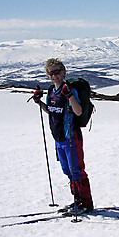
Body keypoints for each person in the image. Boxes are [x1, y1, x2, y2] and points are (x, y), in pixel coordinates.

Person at [32, 58, 93, 214]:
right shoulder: (51, 91)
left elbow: (78, 111)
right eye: (50, 73)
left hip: (71, 136)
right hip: (59, 138)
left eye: (57, 72)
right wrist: (39, 103)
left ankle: (86, 204)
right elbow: (51, 111)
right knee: (67, 171)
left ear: (63, 72)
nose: (54, 76)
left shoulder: (69, 90)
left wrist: (69, 96)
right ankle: (77, 201)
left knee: (77, 170)